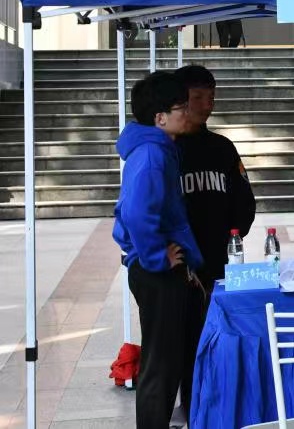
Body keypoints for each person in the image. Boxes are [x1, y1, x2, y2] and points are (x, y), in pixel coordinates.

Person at [113, 71, 204, 429]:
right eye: (182, 107)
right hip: (155, 272)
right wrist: (157, 257)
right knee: (161, 364)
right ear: (160, 117)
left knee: (168, 359)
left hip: (161, 269)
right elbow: (136, 213)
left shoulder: (160, 148)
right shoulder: (152, 154)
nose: (189, 113)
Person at [172, 64, 256, 424]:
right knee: (186, 344)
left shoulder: (222, 148)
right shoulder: (167, 151)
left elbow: (244, 200)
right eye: (198, 98)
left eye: (211, 97)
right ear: (180, 100)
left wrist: (234, 234)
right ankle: (192, 410)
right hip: (180, 270)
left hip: (220, 263)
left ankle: (220, 409)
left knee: (221, 341)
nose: (207, 105)